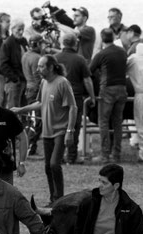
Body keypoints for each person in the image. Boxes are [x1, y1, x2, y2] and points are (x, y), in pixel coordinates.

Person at [11, 55, 77, 203]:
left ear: (51, 67)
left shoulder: (62, 83)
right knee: (48, 167)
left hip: (60, 130)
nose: (38, 69)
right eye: (38, 66)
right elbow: (40, 103)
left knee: (54, 164)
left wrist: (70, 131)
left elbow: (73, 107)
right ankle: (53, 199)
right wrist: (20, 110)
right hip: (47, 132)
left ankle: (59, 199)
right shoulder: (44, 83)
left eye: (41, 66)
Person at [55, 33, 96, 165]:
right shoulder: (80, 59)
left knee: (59, 126)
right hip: (75, 97)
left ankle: (58, 155)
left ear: (63, 43)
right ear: (75, 44)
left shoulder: (55, 58)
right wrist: (92, 96)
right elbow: (87, 80)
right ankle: (72, 156)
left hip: (58, 96)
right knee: (74, 126)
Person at [89, 28, 128, 164]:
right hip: (122, 88)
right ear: (113, 37)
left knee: (104, 122)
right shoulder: (122, 52)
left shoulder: (102, 54)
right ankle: (116, 154)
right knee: (118, 122)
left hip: (107, 89)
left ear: (101, 38)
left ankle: (105, 154)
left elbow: (89, 70)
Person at [22, 34, 48, 156]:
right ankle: (30, 146)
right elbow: (39, 77)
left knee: (31, 119)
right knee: (36, 120)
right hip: (35, 91)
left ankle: (29, 145)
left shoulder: (25, 55)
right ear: (37, 44)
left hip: (28, 88)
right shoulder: (38, 58)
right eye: (41, 43)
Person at [0, 19, 28, 110]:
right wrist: (15, 79)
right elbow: (3, 65)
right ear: (12, 29)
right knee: (13, 108)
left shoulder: (23, 41)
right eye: (19, 29)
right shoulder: (8, 43)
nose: (21, 32)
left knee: (24, 108)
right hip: (14, 82)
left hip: (24, 79)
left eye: (22, 29)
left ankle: (25, 124)